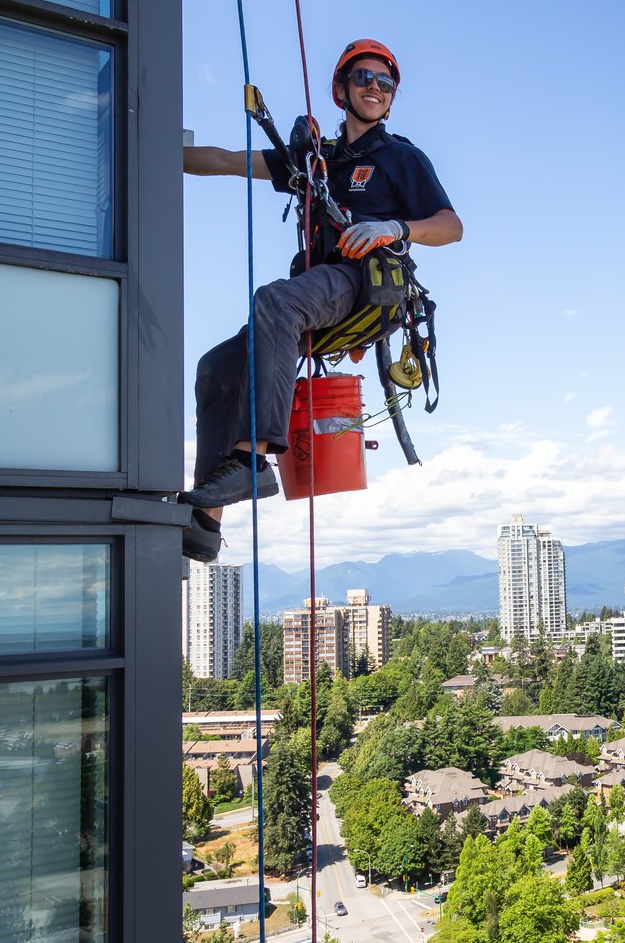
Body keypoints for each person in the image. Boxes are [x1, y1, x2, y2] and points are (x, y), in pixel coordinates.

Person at [180, 39, 462, 561]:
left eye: (385, 82)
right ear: (341, 89)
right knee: (217, 368)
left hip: (363, 282)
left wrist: (393, 226)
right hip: (323, 291)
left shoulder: (399, 157)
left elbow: (451, 226)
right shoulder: (315, 163)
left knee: (274, 301)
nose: (375, 87)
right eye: (364, 79)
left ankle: (253, 459)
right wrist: (153, 150)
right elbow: (223, 160)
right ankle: (204, 520)